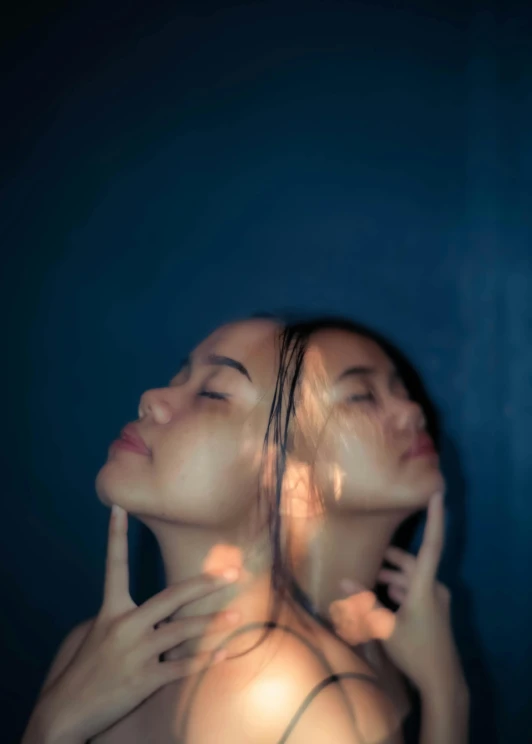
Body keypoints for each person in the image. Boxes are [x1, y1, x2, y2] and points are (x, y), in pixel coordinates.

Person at [22, 317, 402, 744]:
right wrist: (53, 723)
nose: (151, 398)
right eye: (178, 378)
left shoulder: (301, 702)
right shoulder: (87, 654)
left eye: (212, 393)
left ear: (290, 484)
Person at [270, 317, 470, 744]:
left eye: (401, 390)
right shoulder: (285, 681)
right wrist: (447, 693)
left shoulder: (382, 640)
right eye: (362, 396)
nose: (413, 411)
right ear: (284, 469)